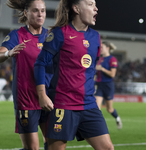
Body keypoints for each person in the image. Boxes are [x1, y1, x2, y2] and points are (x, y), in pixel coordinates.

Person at [34, 0, 114, 149]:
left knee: (107, 147)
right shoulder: (60, 33)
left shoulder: (96, 37)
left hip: (88, 104)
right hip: (63, 105)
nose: (96, 9)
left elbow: (90, 68)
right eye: (90, 4)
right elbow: (40, 63)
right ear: (76, 8)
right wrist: (42, 95)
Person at [0, 0, 49, 149]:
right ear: (26, 13)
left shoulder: (50, 36)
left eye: (43, 10)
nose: (40, 14)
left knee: (54, 145)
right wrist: (9, 52)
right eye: (36, 10)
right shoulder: (17, 35)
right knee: (32, 148)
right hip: (26, 100)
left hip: (48, 99)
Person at [95, 41, 122, 129]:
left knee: (109, 109)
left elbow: (112, 74)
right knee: (96, 108)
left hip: (108, 85)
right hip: (99, 85)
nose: (100, 49)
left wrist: (102, 69)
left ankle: (117, 118)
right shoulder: (99, 59)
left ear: (107, 48)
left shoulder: (112, 59)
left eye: (102, 47)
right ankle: (98, 127)